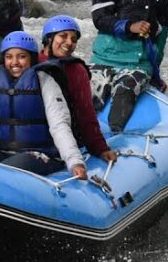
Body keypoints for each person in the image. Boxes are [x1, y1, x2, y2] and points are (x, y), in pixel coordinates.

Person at [0, 31, 88, 179]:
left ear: (32, 59)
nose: (14, 62)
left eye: (21, 57)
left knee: (8, 170)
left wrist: (74, 161)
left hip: (40, 154)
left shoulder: (46, 82)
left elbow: (59, 127)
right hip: (0, 150)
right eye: (9, 57)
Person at [88, 0, 168, 132]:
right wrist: (129, 26)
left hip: (138, 63)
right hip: (104, 58)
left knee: (125, 90)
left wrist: (156, 75)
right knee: (90, 95)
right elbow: (100, 19)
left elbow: (160, 40)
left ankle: (115, 137)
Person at [39, 15, 118, 163]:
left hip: (62, 140)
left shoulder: (76, 70)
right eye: (63, 36)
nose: (69, 43)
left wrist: (100, 148)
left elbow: (85, 113)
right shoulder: (30, 62)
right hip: (31, 137)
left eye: (73, 39)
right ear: (49, 39)